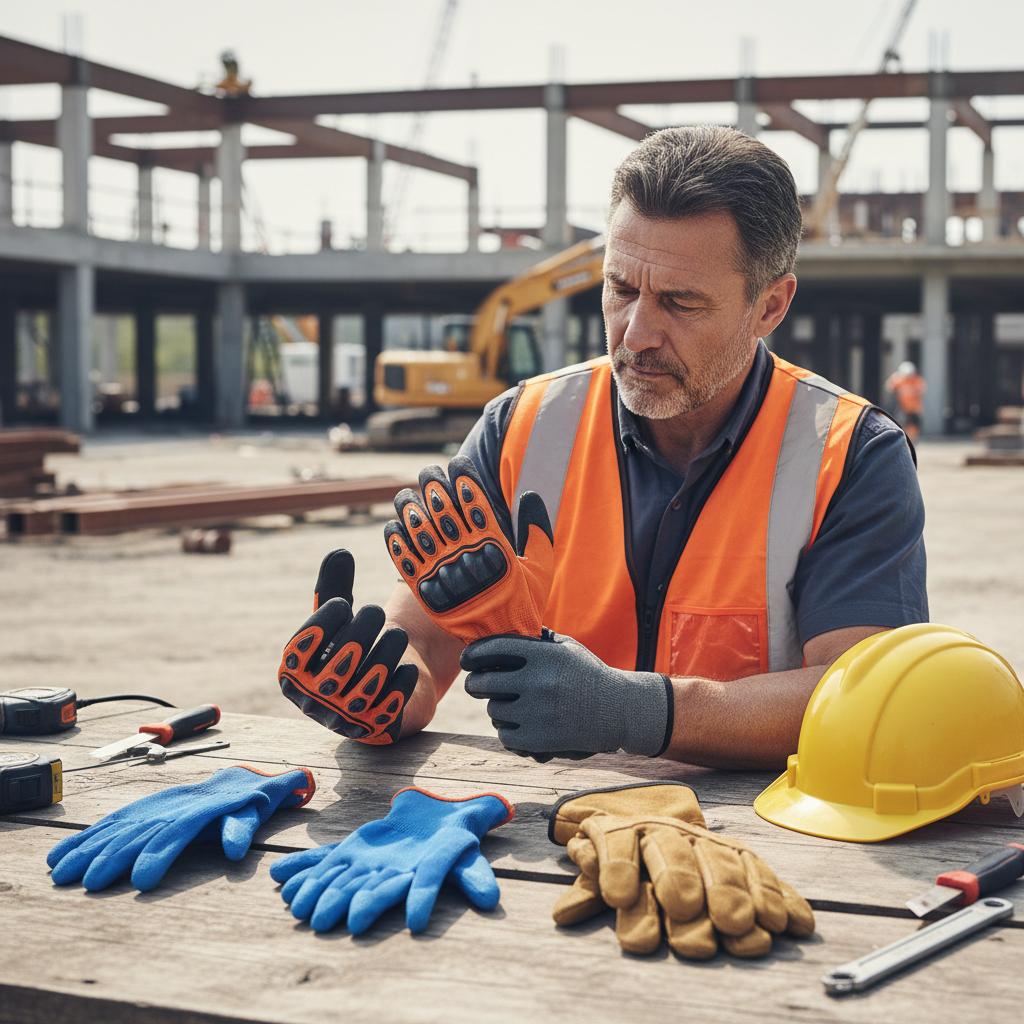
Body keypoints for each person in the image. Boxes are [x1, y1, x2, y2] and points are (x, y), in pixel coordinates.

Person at [288, 126, 928, 770]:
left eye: (680, 302)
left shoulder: (851, 454)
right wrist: (378, 698)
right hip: (549, 840)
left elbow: (862, 695)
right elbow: (420, 652)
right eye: (621, 289)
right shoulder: (521, 427)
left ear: (770, 306)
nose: (637, 332)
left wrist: (636, 711)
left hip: (766, 839)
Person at [885, 360, 927, 440]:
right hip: (902, 408)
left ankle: (912, 440)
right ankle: (904, 439)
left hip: (915, 409)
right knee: (902, 423)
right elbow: (889, 387)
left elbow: (922, 390)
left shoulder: (917, 380)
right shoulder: (898, 379)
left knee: (913, 425)